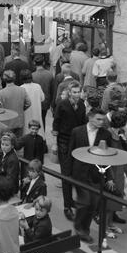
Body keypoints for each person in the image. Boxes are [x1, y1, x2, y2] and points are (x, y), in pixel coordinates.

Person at [68, 108, 114, 243]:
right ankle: (79, 229)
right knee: (85, 201)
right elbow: (71, 152)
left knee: (93, 204)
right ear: (90, 117)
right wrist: (67, 174)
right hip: (79, 174)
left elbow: (108, 157)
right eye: (98, 119)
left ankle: (84, 228)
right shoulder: (77, 131)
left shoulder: (106, 134)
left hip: (96, 174)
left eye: (103, 119)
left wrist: (109, 177)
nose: (101, 122)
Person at [52, 80, 87, 222]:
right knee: (66, 175)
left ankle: (73, 201)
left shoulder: (82, 105)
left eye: (79, 92)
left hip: (77, 141)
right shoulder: (62, 104)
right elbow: (55, 124)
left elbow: (83, 123)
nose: (77, 94)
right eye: (74, 92)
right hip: (64, 141)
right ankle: (67, 206)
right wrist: (54, 144)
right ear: (69, 92)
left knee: (76, 172)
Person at [105, 110, 127, 238]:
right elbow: (105, 158)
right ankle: (105, 227)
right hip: (112, 173)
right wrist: (109, 177)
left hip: (121, 171)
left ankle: (110, 223)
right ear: (121, 123)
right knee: (109, 202)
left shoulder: (120, 134)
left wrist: (125, 139)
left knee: (115, 201)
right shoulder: (107, 135)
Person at [0, 70, 31, 138]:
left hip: (6, 123)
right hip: (19, 121)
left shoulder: (1, 93)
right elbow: (28, 103)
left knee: (7, 143)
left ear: (4, 79)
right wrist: (21, 109)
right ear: (14, 78)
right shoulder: (22, 90)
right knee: (18, 143)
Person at [20, 69, 45, 138]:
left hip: (26, 113)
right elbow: (42, 98)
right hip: (36, 112)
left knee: (26, 131)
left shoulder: (21, 88)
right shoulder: (37, 86)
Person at [32, 54, 54, 130]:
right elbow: (52, 90)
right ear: (43, 63)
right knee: (43, 119)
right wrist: (52, 103)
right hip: (46, 101)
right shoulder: (49, 75)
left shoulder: (32, 75)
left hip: (35, 101)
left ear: (34, 63)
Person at [0, 132, 19, 196]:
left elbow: (10, 178)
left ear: (12, 146)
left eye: (7, 145)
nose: (4, 147)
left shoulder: (12, 159)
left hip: (8, 189)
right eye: (2, 144)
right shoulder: (5, 153)